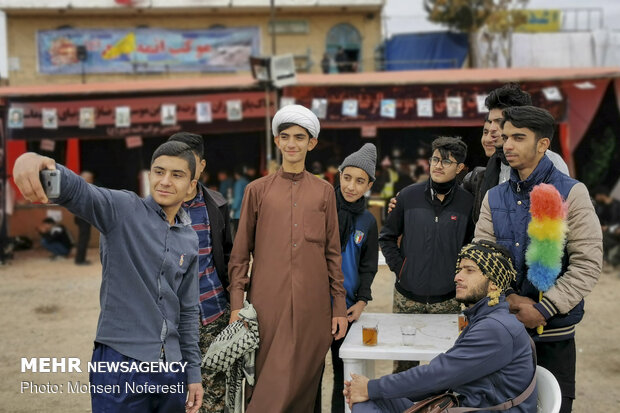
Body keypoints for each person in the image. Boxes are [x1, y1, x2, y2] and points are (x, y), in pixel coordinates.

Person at [13, 141, 204, 413]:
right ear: (149, 175)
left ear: (191, 186)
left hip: (172, 368)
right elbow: (79, 192)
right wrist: (35, 162)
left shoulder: (190, 240)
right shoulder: (123, 210)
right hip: (120, 365)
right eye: (159, 171)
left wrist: (193, 374)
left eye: (177, 175)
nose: (165, 181)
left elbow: (186, 313)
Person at [475, 106, 603, 413]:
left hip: (555, 335)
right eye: (505, 137)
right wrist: (507, 297)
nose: (507, 145)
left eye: (519, 137)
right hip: (505, 328)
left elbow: (587, 264)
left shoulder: (572, 192)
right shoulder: (494, 197)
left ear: (543, 144)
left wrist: (545, 308)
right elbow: (482, 258)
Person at [228, 104, 348, 412]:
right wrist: (237, 306)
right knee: (268, 382)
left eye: (299, 137)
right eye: (285, 136)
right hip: (267, 305)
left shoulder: (324, 192)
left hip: (313, 306)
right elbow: (240, 254)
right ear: (277, 142)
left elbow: (333, 253)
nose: (292, 143)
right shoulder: (257, 191)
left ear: (312, 143)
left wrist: (338, 306)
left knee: (304, 384)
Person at [344, 240, 537, 413]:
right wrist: (372, 390)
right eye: (459, 270)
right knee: (366, 401)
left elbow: (438, 374)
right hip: (456, 404)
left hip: (477, 408)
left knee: (367, 399)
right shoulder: (485, 318)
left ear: (494, 284)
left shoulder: (496, 328)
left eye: (469, 270)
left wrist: (371, 387)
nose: (457, 277)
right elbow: (439, 379)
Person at [379, 136, 474, 373]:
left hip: (448, 300)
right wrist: (402, 270)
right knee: (403, 368)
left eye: (446, 162)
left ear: (460, 168)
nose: (438, 166)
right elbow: (387, 237)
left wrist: (457, 277)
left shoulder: (468, 204)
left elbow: (471, 248)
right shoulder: (407, 197)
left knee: (443, 368)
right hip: (407, 298)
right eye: (434, 159)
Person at [168, 132, 233, 413]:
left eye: (189, 161)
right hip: (170, 323)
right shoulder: (156, 208)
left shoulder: (216, 204)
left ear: (201, 165)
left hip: (212, 316)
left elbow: (229, 256)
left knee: (215, 400)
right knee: (175, 397)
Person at [464, 83, 569, 223]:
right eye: (490, 121)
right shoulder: (495, 161)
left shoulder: (549, 161)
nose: (492, 128)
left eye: (499, 121)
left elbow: (558, 221)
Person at [324, 143, 379, 413]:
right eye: (347, 178)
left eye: (360, 181)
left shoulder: (367, 221)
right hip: (314, 306)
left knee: (342, 375)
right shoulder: (321, 209)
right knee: (308, 375)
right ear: (339, 175)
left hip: (345, 310)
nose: (351, 187)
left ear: (369, 185)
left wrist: (362, 300)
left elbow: (368, 266)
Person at [592, 185, 620, 267]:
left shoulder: (617, 206)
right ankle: (605, 259)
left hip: (615, 230)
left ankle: (610, 261)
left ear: (602, 195)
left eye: (597, 195)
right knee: (601, 237)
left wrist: (608, 227)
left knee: (603, 237)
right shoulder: (601, 207)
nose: (596, 197)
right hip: (606, 231)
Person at [74, 170, 94, 265]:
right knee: (83, 238)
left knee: (84, 238)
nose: (91, 180)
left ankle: (80, 258)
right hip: (83, 217)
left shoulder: (79, 189)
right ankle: (80, 259)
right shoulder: (83, 190)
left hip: (82, 216)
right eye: (90, 178)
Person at [230, 165, 249, 239]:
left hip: (238, 213)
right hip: (247, 211)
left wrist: (233, 208)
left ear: (236, 174)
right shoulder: (247, 181)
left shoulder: (238, 183)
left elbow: (238, 197)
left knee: (238, 235)